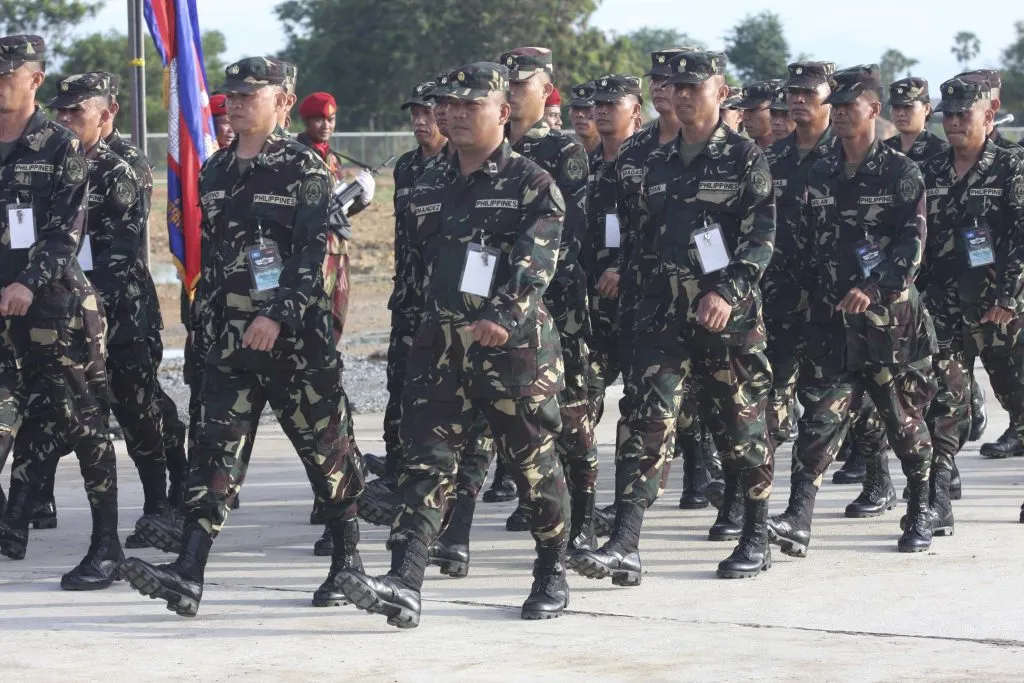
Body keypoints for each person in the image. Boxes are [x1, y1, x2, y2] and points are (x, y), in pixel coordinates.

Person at [117, 57, 365, 617]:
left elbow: (314, 256)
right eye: (231, 93)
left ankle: (347, 561)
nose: (236, 101)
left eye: (252, 94)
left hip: (295, 339)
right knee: (214, 451)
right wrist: (205, 327)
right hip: (229, 340)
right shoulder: (217, 170)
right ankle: (189, 571)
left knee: (324, 450)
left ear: (283, 102)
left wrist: (275, 315)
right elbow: (219, 259)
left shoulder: (304, 168)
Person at [335, 62, 571, 627]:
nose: (457, 114)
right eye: (450, 104)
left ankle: (551, 569)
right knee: (425, 465)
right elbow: (416, 272)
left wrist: (502, 314)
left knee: (532, 466)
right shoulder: (426, 184)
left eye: (471, 105)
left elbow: (536, 263)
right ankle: (406, 578)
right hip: (440, 350)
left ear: (502, 112)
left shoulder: (530, 183)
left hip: (512, 355)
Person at [574, 50, 777, 583]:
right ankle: (625, 542)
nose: (682, 95)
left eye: (693, 86)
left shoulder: (743, 157)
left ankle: (755, 532)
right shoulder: (641, 155)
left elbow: (760, 238)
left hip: (724, 320)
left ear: (720, 90)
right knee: (644, 423)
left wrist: (728, 292)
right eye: (674, 86)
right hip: (658, 317)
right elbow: (628, 234)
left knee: (740, 425)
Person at [769, 65, 938, 557]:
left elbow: (912, 244)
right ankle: (799, 517)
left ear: (873, 110)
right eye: (835, 106)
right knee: (819, 420)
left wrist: (873, 285)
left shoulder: (900, 173)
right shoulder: (817, 172)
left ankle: (920, 509)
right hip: (830, 323)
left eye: (849, 106)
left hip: (887, 325)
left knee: (903, 423)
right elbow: (800, 243)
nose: (840, 114)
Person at [0, 35, 122, 591]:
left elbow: (64, 232)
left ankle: (106, 545)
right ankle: (12, 523)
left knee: (79, 421)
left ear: (35, 80)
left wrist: (26, 282)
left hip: (51, 309)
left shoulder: (57, 145)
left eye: (8, 73)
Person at [45, 72, 174, 550]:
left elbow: (118, 255)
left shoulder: (123, 167)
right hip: (65, 307)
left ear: (107, 112)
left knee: (137, 408)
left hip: (119, 311)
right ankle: (33, 503)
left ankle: (160, 502)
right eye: (59, 111)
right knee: (61, 409)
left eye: (74, 111)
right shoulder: (59, 160)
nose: (63, 119)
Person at [918, 75, 1024, 536]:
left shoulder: (1012, 167)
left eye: (965, 114)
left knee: (1019, 403)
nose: (956, 123)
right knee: (943, 405)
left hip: (1001, 312)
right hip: (943, 309)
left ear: (990, 110)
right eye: (949, 115)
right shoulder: (930, 169)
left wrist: (1010, 295)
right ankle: (937, 501)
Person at [495, 46, 590, 533]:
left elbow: (567, 236)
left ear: (545, 89)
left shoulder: (563, 152)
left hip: (552, 305)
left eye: (520, 84)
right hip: (497, 307)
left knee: (566, 408)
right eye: (505, 84)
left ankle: (583, 509)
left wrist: (529, 292)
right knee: (509, 406)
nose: (510, 91)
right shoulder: (491, 150)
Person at [885, 77, 948, 162]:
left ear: (926, 109)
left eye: (908, 107)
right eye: (896, 107)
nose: (901, 113)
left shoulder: (942, 152)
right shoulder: (883, 151)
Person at [737, 79, 783, 149]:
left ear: (775, 110)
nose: (745, 117)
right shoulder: (744, 153)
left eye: (753, 110)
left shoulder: (794, 152)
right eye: (744, 110)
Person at [568, 81, 599, 153]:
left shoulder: (617, 153)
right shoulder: (565, 152)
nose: (579, 114)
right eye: (576, 108)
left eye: (586, 108)